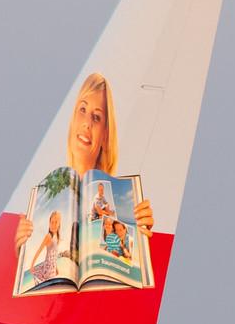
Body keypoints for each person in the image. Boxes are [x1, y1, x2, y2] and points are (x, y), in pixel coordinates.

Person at [13, 72, 153, 263]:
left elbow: (124, 258)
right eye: (82, 110)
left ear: (105, 134)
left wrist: (140, 239)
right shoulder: (46, 199)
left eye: (96, 117)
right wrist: (22, 251)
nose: (87, 123)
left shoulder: (118, 202)